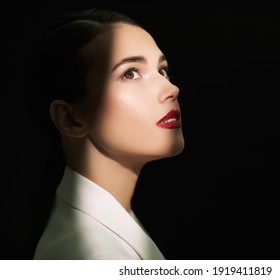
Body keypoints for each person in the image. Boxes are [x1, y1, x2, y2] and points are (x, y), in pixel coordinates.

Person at [27, 8, 185, 260]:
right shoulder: (90, 255)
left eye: (162, 70)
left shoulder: (108, 227)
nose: (171, 89)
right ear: (70, 118)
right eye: (130, 73)